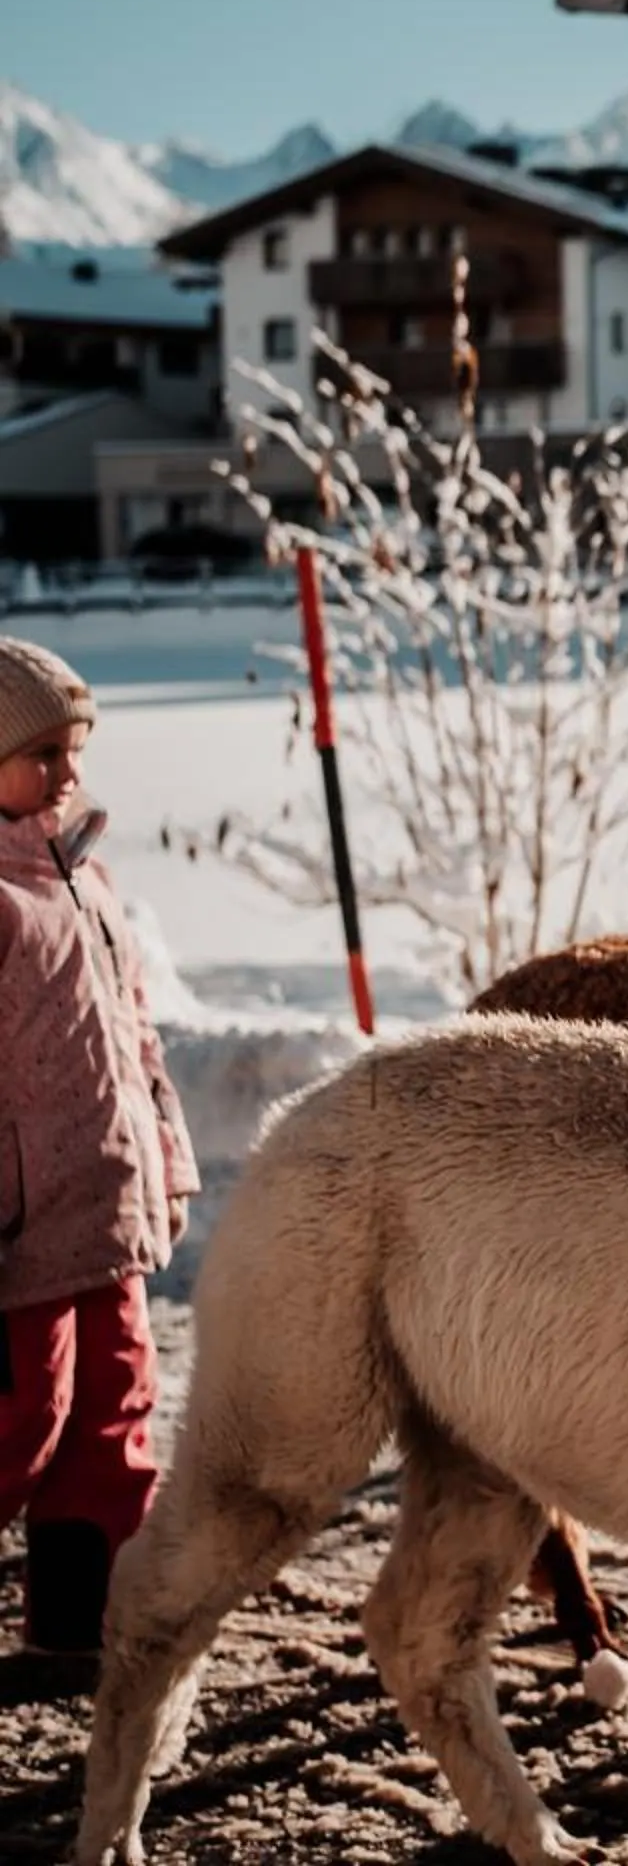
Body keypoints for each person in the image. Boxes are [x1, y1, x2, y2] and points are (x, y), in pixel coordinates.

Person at [0, 637, 198, 1655]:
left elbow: (137, 1037)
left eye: (74, 749)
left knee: (114, 1418)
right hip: (21, 1233)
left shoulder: (89, 879)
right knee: (22, 1419)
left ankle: (80, 1627)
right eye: (41, 753)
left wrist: (167, 1156)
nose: (67, 772)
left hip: (107, 1206)